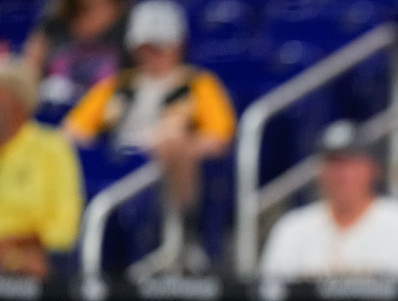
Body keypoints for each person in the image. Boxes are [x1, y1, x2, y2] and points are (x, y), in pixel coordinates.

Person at [63, 0, 237, 272]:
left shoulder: (199, 84)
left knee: (173, 137)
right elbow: (73, 129)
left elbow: (219, 138)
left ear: (177, 45)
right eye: (146, 48)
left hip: (165, 171)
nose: (152, 55)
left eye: (159, 47)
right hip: (120, 163)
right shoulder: (118, 85)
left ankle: (184, 235)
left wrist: (173, 145)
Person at [260, 120, 398, 280]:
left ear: (372, 169)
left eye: (351, 163)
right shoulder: (293, 228)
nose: (342, 175)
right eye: (334, 163)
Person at [0, 60, 83, 280]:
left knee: (31, 264)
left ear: (19, 104)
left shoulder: (52, 149)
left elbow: (64, 226)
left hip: (27, 253)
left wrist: (17, 241)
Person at [22, 0, 129, 117]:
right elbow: (30, 68)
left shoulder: (129, 23)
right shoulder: (55, 19)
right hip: (47, 109)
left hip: (104, 116)